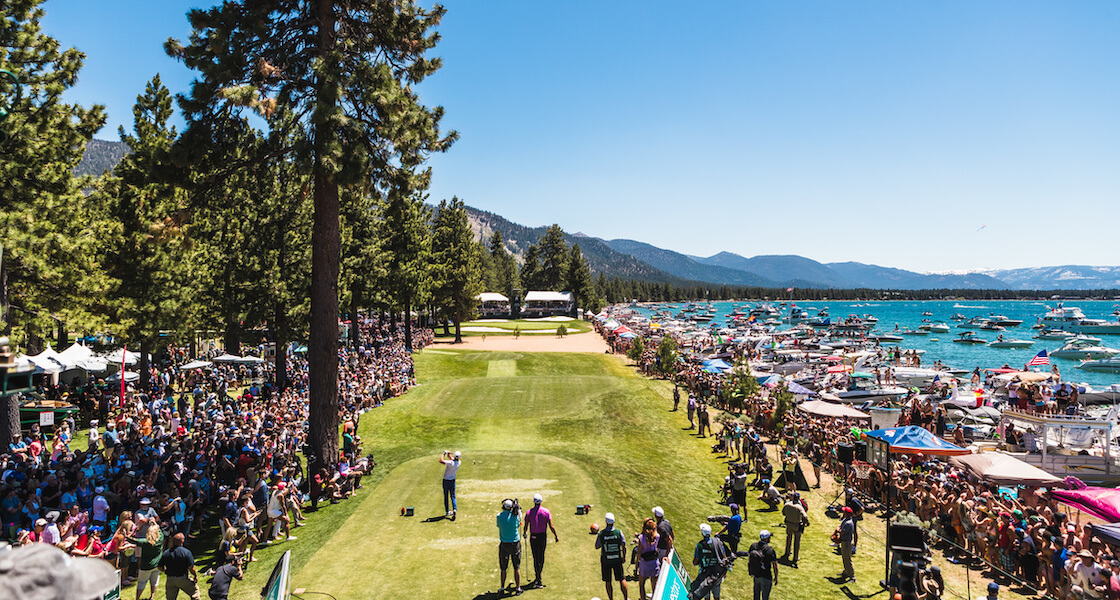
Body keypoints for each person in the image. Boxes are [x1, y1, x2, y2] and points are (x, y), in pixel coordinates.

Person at [523, 493, 558, 589]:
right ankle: (539, 578)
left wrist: (525, 532)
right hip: (542, 536)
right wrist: (556, 535)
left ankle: (538, 577)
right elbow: (551, 525)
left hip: (533, 537)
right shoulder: (546, 511)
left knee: (535, 557)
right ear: (541, 501)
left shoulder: (529, 512)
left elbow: (526, 525)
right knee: (541, 556)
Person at [595, 512, 628, 600]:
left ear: (606, 522)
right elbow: (624, 545)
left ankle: (611, 599)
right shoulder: (618, 532)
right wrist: (624, 556)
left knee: (608, 581)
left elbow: (597, 546)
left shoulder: (601, 533)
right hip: (617, 560)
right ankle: (625, 598)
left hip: (606, 561)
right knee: (621, 579)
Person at [158, 533, 201, 600]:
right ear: (182, 540)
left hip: (170, 579)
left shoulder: (166, 553)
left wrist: (165, 571)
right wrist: (195, 575)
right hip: (183, 578)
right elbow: (191, 568)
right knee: (195, 593)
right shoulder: (186, 552)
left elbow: (159, 566)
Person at [692, 523, 729, 600]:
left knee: (706, 595)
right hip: (717, 574)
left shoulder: (699, 545)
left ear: (702, 533)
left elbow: (696, 561)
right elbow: (724, 556)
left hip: (705, 574)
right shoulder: (718, 542)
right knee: (716, 596)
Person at [496, 499, 522, 596]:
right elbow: (519, 523)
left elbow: (499, 525)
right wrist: (518, 510)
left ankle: (502, 587)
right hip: (515, 543)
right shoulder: (515, 517)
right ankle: (518, 588)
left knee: (503, 567)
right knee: (516, 567)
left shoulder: (499, 516)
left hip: (504, 544)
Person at [748, 530, 778, 600]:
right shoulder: (770, 550)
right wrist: (776, 577)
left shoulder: (753, 546)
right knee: (765, 597)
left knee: (756, 596)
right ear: (767, 538)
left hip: (756, 574)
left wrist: (751, 571)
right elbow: (775, 566)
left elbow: (749, 559)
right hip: (766, 576)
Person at [636, 518, 661, 600]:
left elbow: (639, 553)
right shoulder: (657, 536)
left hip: (644, 564)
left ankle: (643, 598)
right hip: (654, 563)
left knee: (641, 584)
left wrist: (636, 565)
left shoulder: (641, 538)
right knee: (654, 586)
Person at [782, 493, 808, 566]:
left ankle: (787, 552)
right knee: (797, 542)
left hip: (788, 524)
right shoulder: (799, 507)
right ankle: (795, 557)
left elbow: (783, 513)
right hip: (796, 525)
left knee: (788, 538)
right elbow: (805, 516)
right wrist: (806, 522)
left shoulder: (787, 504)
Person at [439, 450, 461, 519]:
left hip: (446, 481)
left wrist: (444, 453)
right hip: (452, 481)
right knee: (453, 496)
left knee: (446, 496)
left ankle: (447, 511)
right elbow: (452, 459)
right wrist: (448, 455)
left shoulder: (450, 463)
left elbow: (441, 461)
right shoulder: (459, 462)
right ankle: (454, 509)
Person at [837, 507, 856, 583]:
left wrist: (837, 530)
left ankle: (852, 577)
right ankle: (846, 572)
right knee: (844, 558)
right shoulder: (845, 520)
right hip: (844, 541)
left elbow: (842, 532)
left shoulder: (849, 523)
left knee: (847, 559)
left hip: (847, 543)